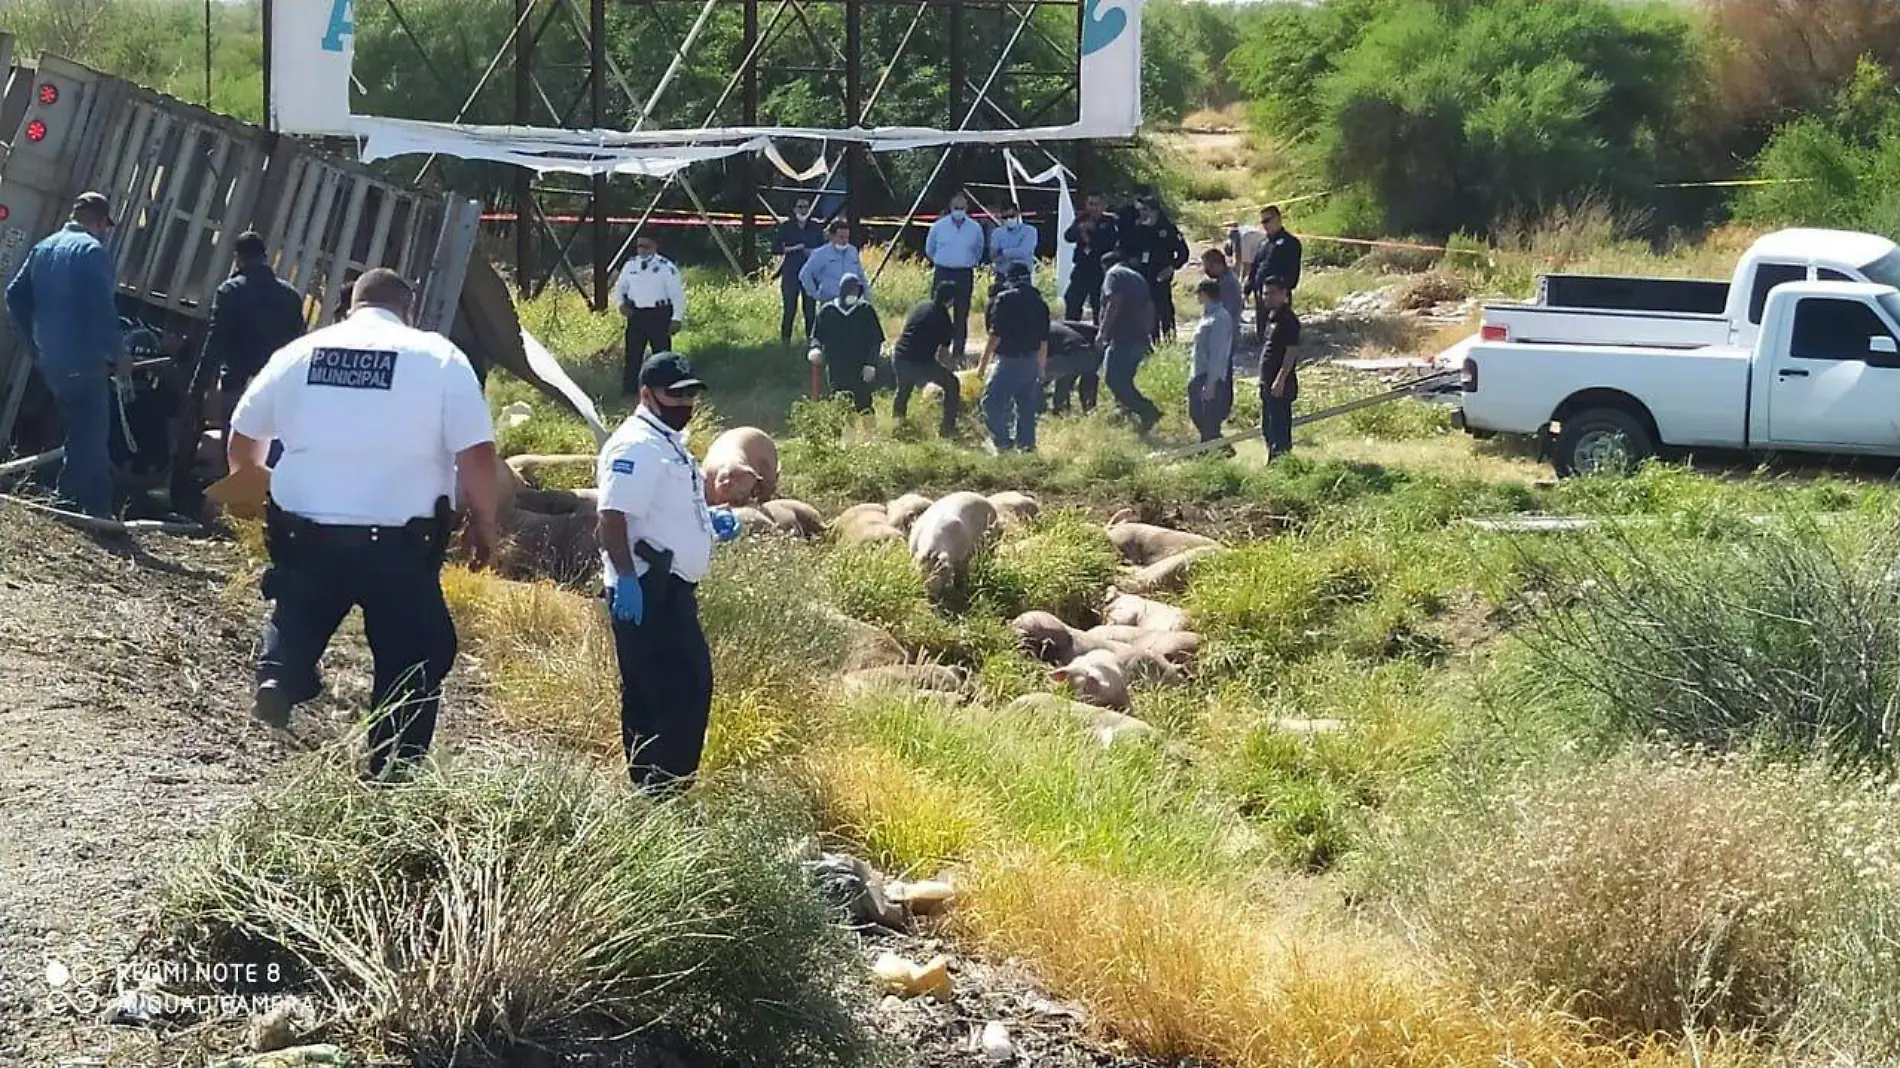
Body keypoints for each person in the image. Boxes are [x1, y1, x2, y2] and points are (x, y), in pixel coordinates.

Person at [230, 269, 500, 782]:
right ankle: (391, 772)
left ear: (350, 308)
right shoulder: (439, 358)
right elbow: (478, 453)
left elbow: (243, 437)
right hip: (399, 545)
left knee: (299, 608)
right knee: (416, 652)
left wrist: (252, 492)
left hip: (304, 534)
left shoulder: (298, 354)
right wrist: (483, 523)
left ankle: (281, 672)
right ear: (410, 310)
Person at [596, 352, 743, 792]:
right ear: (647, 395)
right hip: (648, 589)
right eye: (674, 394)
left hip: (673, 592)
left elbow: (665, 508)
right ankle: (656, 793)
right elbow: (612, 519)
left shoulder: (667, 441)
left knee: (686, 690)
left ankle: (667, 792)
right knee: (661, 695)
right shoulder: (636, 446)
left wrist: (707, 523)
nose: (684, 403)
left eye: (690, 394)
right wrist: (626, 578)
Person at [4, 192, 128, 518]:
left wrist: (33, 345)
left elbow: (14, 295)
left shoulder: (44, 247)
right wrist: (118, 352)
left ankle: (93, 506)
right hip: (83, 361)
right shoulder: (91, 251)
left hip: (52, 360)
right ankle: (72, 504)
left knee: (83, 432)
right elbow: (102, 309)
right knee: (90, 433)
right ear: (99, 221)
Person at [192, 232, 306, 431]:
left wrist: (198, 387)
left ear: (238, 258)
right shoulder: (291, 296)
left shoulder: (230, 291)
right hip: (273, 389)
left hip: (236, 384)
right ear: (264, 256)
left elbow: (215, 343)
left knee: (232, 448)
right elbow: (298, 347)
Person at [975, 263, 1049, 453]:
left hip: (1008, 361)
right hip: (1031, 361)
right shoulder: (1040, 302)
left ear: (1009, 278)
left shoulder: (1004, 299)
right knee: (1025, 407)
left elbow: (995, 336)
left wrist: (982, 367)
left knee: (990, 403)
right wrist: (1041, 369)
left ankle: (1003, 442)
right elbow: (1043, 341)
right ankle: (1027, 447)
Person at [1096, 251, 1161, 432]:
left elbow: (1114, 302)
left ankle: (1148, 411)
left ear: (1105, 266)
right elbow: (1150, 306)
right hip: (1138, 337)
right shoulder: (1137, 277)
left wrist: (1103, 332)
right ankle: (1126, 415)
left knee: (1112, 379)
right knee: (1124, 379)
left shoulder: (1113, 275)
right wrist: (1146, 333)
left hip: (1123, 337)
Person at [615, 233, 686, 395]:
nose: (642, 250)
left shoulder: (666, 267)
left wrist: (676, 318)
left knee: (662, 357)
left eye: (646, 246)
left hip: (659, 315)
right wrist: (620, 304)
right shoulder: (631, 265)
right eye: (639, 246)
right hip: (637, 315)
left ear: (655, 247)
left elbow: (677, 295)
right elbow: (620, 288)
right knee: (633, 356)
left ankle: (665, 390)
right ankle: (629, 392)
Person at [891, 281, 962, 437]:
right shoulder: (944, 320)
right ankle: (947, 430)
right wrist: (953, 369)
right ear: (950, 301)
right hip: (920, 362)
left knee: (903, 391)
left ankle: (897, 428)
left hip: (900, 356)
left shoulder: (921, 306)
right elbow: (943, 355)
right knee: (952, 384)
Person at [923, 192, 985, 364]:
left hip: (964, 273)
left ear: (967, 209)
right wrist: (941, 261)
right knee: (937, 312)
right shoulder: (939, 226)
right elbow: (930, 249)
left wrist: (970, 262)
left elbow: (979, 250)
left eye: (962, 208)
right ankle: (934, 350)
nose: (959, 211)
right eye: (956, 208)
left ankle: (958, 352)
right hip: (943, 272)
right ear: (950, 208)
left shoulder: (975, 228)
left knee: (961, 313)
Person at [808, 273, 883, 413]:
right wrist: (815, 348)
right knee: (840, 404)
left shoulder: (866, 310)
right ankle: (842, 434)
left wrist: (871, 364)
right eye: (851, 291)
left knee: (865, 405)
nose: (854, 294)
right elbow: (816, 336)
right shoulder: (828, 311)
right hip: (837, 368)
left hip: (860, 368)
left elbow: (875, 340)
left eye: (856, 291)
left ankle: (869, 434)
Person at [1127, 197, 1190, 343]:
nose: (1142, 213)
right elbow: (1128, 249)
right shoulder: (1138, 229)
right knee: (1148, 311)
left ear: (1155, 212)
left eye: (1145, 210)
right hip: (1143, 276)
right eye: (1141, 210)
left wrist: (1172, 266)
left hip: (1161, 276)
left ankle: (1169, 341)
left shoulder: (1167, 229)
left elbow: (1183, 253)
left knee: (1165, 311)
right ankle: (1153, 342)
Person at [1258, 275, 1302, 460]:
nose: (1268, 297)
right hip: (1267, 381)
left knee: (1280, 429)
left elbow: (1291, 352)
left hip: (1280, 383)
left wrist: (1280, 379)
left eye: (1273, 293)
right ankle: (1273, 460)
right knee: (1268, 426)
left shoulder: (1288, 320)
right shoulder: (1272, 317)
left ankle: (1282, 463)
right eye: (1265, 293)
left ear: (1285, 294)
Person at [1187, 278, 1235, 443]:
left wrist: (1211, 383)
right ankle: (1213, 448)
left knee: (1206, 417)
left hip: (1208, 374)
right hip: (1199, 371)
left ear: (1205, 294)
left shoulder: (1219, 318)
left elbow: (1218, 353)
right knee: (1197, 414)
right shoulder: (1208, 316)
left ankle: (1216, 449)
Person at [772, 196, 825, 346]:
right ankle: (785, 342)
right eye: (800, 207)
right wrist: (796, 248)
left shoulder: (815, 227)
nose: (804, 210)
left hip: (810, 275)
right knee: (789, 309)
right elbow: (775, 249)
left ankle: (812, 341)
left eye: (806, 207)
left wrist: (811, 252)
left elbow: (822, 250)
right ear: (794, 209)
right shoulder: (786, 227)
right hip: (791, 274)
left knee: (810, 311)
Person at [1245, 205, 1303, 331]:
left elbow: (1293, 271)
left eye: (1267, 220)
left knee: (1279, 332)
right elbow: (1256, 266)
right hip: (1261, 294)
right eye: (1262, 222)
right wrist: (1248, 287)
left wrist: (1283, 291)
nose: (1264, 225)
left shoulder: (1289, 242)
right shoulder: (1264, 243)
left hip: (1278, 295)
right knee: (1262, 333)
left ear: (1277, 219)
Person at [1063, 193, 1118, 321]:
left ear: (1104, 206)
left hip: (1100, 268)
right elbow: (1068, 236)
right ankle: (1072, 328)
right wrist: (1080, 229)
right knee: (1072, 298)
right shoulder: (1082, 218)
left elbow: (1110, 243)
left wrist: (1094, 232)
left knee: (1098, 303)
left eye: (1096, 204)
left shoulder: (1110, 221)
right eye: (1090, 204)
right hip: (1082, 266)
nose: (1092, 208)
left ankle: (1099, 332)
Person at [799, 219, 868, 307]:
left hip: (852, 301)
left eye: (847, 237)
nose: (844, 241)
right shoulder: (821, 254)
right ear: (831, 236)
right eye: (841, 237)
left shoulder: (852, 251)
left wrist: (866, 298)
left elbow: (861, 275)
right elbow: (805, 274)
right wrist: (815, 295)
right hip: (830, 303)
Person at [1042, 318, 1099, 415]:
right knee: (1063, 380)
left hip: (1071, 355)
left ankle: (1042, 411)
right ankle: (1065, 410)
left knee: (1035, 379)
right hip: (1088, 353)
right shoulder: (1057, 324)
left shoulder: (1040, 331)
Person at [1202, 247, 1244, 362]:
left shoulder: (1227, 283)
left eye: (1208, 266)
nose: (1206, 270)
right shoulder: (1223, 280)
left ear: (1217, 264)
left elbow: (1227, 311)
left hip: (1225, 333)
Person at [988, 201, 1037, 289]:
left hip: (1022, 277)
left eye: (1011, 216)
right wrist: (1014, 252)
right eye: (1005, 217)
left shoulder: (1030, 231)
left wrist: (1003, 252)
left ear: (1018, 214)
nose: (1009, 220)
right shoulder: (997, 233)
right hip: (1002, 276)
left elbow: (1023, 252)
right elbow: (993, 256)